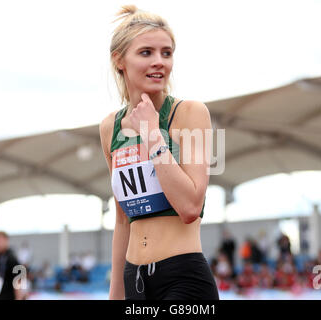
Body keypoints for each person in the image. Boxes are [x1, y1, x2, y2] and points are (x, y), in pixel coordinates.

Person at [99, 5, 218, 300]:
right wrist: (116, 293)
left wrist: (152, 135)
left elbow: (190, 206)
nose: (159, 62)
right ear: (119, 61)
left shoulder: (189, 113)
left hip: (182, 279)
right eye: (146, 52)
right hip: (133, 279)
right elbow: (122, 220)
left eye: (167, 53)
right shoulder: (109, 127)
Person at [0, 231, 22, 300]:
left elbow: (18, 279)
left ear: (6, 240)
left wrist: (18, 297)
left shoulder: (12, 257)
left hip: (8, 294)